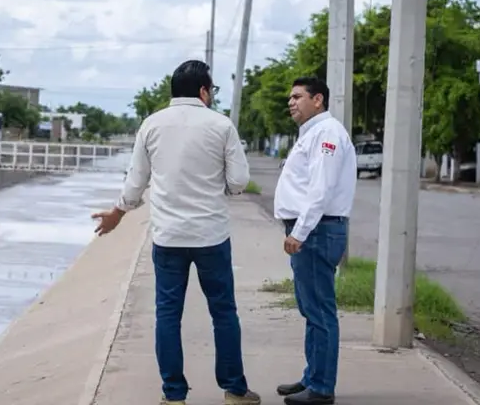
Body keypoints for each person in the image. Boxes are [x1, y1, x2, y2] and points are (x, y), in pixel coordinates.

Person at [91, 60, 261, 405]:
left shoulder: (151, 125)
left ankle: (174, 396)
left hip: (168, 238)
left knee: (167, 314)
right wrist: (225, 187)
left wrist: (116, 214)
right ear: (202, 91)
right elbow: (240, 181)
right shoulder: (221, 125)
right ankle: (234, 390)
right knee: (224, 312)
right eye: (211, 90)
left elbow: (135, 182)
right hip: (211, 236)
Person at [273, 76, 356, 405]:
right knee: (311, 309)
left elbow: (320, 190)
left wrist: (299, 232)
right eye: (290, 97)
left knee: (320, 311)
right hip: (314, 230)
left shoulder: (327, 133)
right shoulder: (312, 133)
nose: (291, 102)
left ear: (318, 99)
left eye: (298, 97)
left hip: (317, 231)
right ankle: (312, 377)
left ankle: (321, 388)